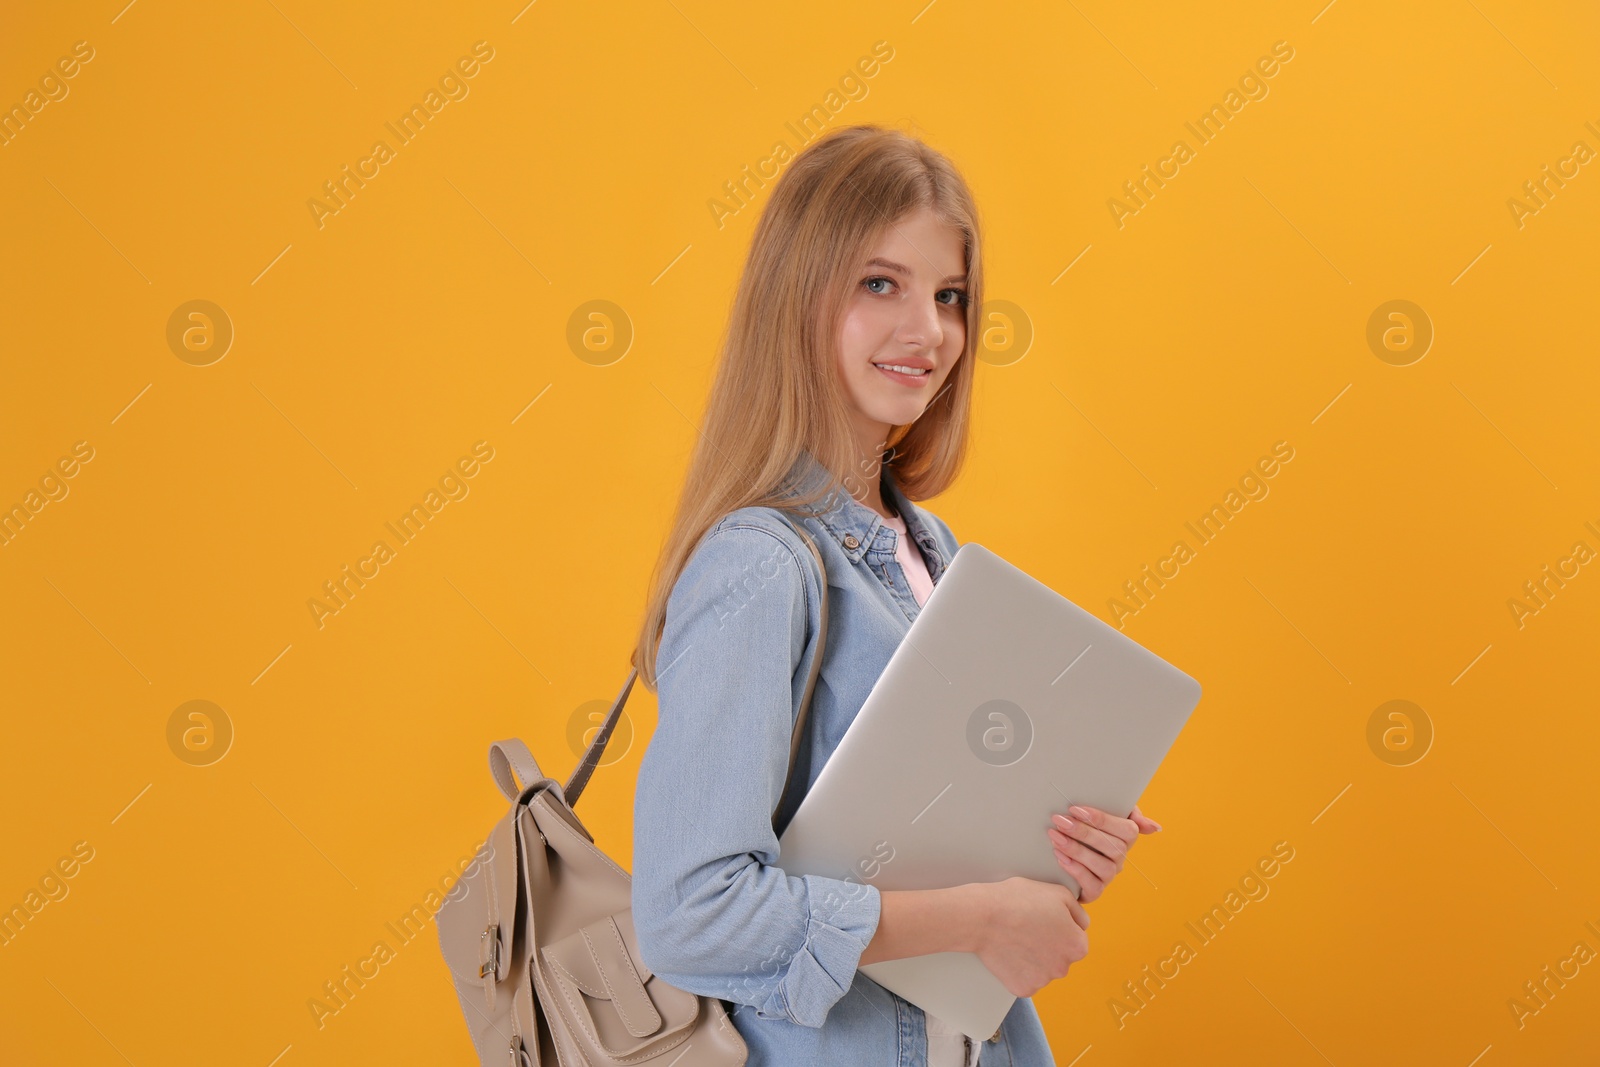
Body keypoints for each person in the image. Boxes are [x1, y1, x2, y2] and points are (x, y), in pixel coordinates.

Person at [629, 124, 1161, 1066]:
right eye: (882, 284)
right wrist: (988, 914)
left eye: (950, 296)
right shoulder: (761, 563)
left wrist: (1058, 852)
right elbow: (691, 913)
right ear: (798, 295)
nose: (930, 331)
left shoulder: (933, 552)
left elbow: (923, 845)